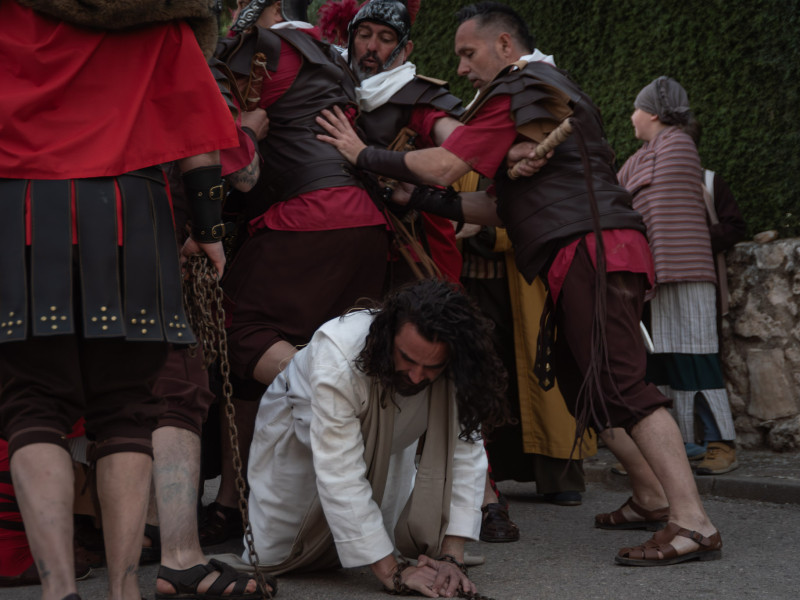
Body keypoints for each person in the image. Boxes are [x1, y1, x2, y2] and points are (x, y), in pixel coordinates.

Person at [317, 1, 722, 566]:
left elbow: (442, 166)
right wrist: (422, 197)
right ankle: (653, 497)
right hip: (588, 245)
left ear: (504, 46)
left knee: (623, 385)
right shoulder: (542, 93)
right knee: (593, 383)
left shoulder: (521, 87)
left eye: (468, 53)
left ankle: (692, 521)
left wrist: (364, 154)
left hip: (591, 246)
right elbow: (499, 207)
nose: (461, 68)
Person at [0, 1, 238, 599]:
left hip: (19, 212)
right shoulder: (158, 8)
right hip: (131, 218)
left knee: (33, 406)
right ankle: (124, 588)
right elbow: (197, 125)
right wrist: (209, 230)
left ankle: (58, 590)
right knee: (127, 410)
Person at [201, 0, 391, 546]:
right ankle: (233, 506)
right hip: (364, 224)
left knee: (241, 335)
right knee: (288, 354)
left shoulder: (254, 49)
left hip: (307, 221)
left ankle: (344, 400)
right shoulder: (333, 55)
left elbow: (228, 157)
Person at [228, 278, 506, 597]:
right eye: (408, 359)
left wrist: (451, 559)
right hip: (298, 436)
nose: (416, 377)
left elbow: (466, 454)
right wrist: (394, 574)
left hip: (390, 444)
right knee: (276, 552)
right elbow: (340, 471)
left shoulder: (459, 362)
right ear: (387, 338)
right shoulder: (336, 354)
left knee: (378, 539)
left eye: (431, 367)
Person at [617, 76, 739, 476]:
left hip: (685, 271)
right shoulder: (642, 156)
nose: (631, 116)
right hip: (655, 276)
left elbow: (632, 194)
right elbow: (622, 197)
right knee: (662, 362)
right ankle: (679, 447)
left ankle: (719, 443)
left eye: (637, 108)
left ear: (654, 112)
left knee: (696, 356)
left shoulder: (678, 145)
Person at [344, 0, 466, 286]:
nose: (371, 47)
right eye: (364, 34)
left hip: (410, 238)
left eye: (386, 38)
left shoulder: (420, 97)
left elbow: (462, 142)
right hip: (343, 232)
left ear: (405, 49)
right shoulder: (333, 83)